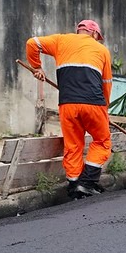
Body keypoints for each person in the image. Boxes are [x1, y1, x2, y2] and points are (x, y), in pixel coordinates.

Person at [26, 20, 113, 198]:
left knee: (73, 144)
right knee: (102, 141)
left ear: (79, 31)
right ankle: (87, 182)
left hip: (67, 104)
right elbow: (106, 83)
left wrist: (37, 67)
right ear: (95, 34)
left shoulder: (60, 41)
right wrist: (105, 107)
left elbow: (32, 43)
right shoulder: (102, 50)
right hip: (94, 104)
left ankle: (74, 185)